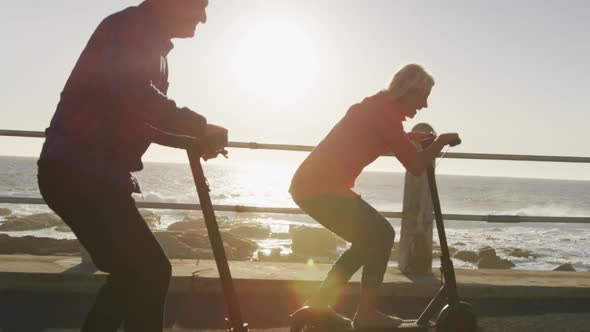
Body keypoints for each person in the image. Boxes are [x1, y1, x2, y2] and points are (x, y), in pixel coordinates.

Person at [37, 1, 222, 331]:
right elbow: (132, 94)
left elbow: (140, 119)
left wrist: (192, 140)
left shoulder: (152, 45)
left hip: (90, 173)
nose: (204, 18)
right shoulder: (132, 27)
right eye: (200, 5)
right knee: (150, 270)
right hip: (80, 170)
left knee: (131, 274)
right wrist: (198, 126)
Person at [289, 64, 461, 329]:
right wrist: (439, 143)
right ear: (408, 91)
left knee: (366, 241)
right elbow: (415, 166)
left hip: (312, 186)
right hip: (320, 188)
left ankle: (320, 306)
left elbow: (387, 135)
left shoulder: (378, 107)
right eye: (423, 96)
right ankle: (365, 313)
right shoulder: (384, 115)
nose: (425, 105)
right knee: (382, 234)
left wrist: (412, 137)